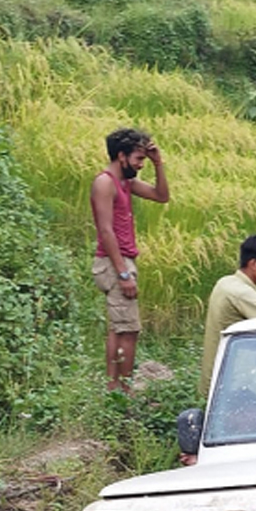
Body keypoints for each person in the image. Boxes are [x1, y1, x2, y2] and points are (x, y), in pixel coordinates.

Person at [90, 127, 170, 391]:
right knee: (129, 330)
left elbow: (161, 196)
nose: (140, 165)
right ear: (121, 156)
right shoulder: (105, 183)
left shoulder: (126, 182)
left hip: (120, 262)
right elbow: (105, 230)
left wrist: (159, 164)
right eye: (138, 159)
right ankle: (122, 390)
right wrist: (123, 273)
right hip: (115, 264)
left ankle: (114, 389)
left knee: (118, 327)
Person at [199, 234, 256, 397]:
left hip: (214, 379)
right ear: (253, 264)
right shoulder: (241, 293)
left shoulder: (225, 282)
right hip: (232, 387)